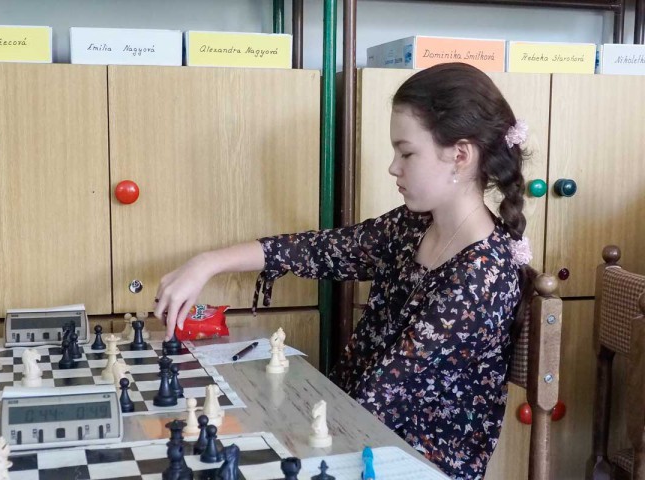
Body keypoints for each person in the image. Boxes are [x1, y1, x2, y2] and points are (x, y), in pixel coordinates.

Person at [153, 62, 535, 479]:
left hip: (400, 463)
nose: (393, 167)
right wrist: (208, 262)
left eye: (407, 153)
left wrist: (264, 422)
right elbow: (320, 250)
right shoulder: (414, 225)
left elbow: (382, 393)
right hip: (353, 437)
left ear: (460, 155)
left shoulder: (483, 276)